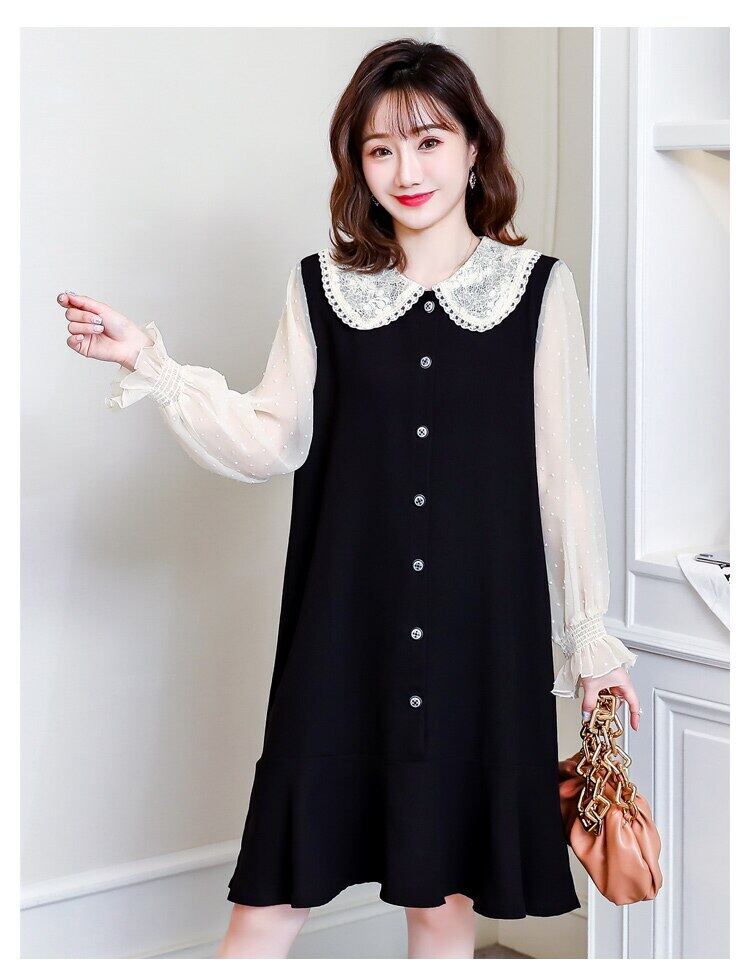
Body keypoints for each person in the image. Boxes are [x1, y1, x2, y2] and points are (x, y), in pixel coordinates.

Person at [57, 37, 641, 960]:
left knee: (443, 906)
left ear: (474, 147)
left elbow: (563, 479)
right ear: (356, 165)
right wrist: (153, 366)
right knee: (270, 904)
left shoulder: (537, 291)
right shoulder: (322, 291)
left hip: (482, 640)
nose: (406, 171)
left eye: (429, 141)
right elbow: (270, 439)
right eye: (380, 149)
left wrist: (592, 642)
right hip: (342, 636)